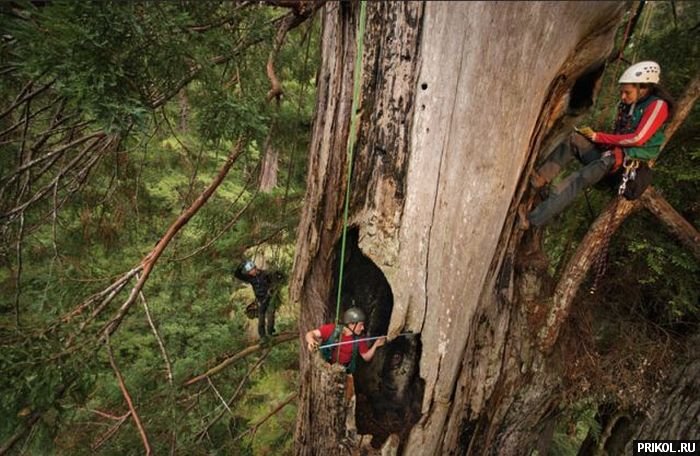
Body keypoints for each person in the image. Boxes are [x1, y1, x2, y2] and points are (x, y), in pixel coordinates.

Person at [520, 61, 674, 229]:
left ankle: (531, 219)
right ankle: (540, 179)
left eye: (627, 92)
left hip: (620, 166)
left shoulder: (658, 105)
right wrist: (595, 139)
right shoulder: (631, 105)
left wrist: (597, 137)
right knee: (574, 139)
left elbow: (638, 138)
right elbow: (619, 135)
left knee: (576, 181)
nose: (623, 96)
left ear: (644, 88)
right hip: (610, 157)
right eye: (622, 92)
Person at [305, 307, 385, 374]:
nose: (363, 328)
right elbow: (310, 334)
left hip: (343, 372)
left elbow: (366, 357)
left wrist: (376, 345)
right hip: (325, 369)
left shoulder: (359, 339)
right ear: (351, 324)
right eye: (360, 325)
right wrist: (311, 341)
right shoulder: (332, 329)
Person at [234, 259, 283, 338]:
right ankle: (263, 336)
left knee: (270, 315)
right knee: (261, 318)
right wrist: (240, 267)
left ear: (255, 268)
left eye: (252, 270)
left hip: (269, 297)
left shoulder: (265, 274)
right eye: (249, 271)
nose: (251, 272)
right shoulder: (250, 278)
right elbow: (237, 275)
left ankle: (270, 333)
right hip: (260, 300)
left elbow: (276, 275)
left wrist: (277, 277)